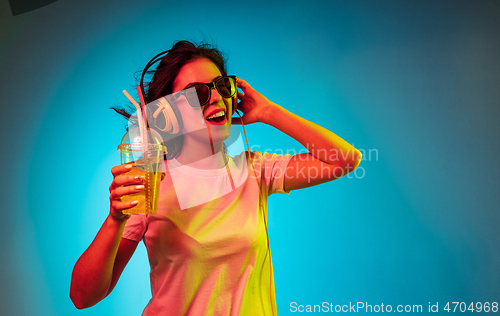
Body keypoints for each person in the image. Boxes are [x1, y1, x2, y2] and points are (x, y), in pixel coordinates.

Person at [70, 40, 362, 315]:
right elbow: (83, 297)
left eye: (221, 86)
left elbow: (346, 159)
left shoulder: (255, 171)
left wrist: (268, 112)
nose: (216, 98)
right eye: (197, 93)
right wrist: (115, 219)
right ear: (168, 115)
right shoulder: (150, 184)